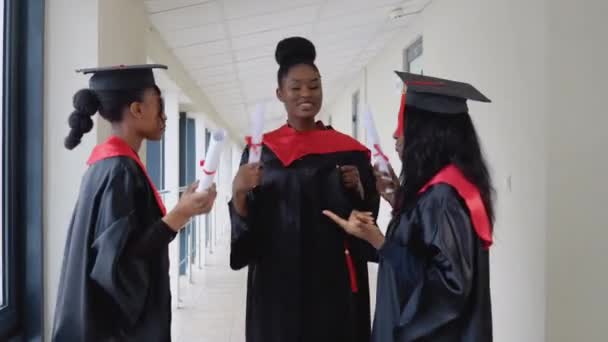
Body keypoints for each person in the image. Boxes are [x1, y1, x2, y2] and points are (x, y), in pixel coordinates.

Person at [324, 71, 495, 341]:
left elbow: (446, 290)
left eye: (404, 124)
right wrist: (399, 199)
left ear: (428, 133)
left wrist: (379, 241)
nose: (395, 135)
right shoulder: (446, 190)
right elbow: (425, 250)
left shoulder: (444, 199)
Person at [229, 37, 380, 342]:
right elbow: (248, 228)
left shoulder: (348, 151)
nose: (306, 94)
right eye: (296, 87)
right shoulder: (262, 152)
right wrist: (239, 192)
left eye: (314, 85)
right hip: (277, 281)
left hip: (334, 280)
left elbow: (367, 217)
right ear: (280, 93)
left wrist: (360, 189)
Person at [52, 64, 217, 341]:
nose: (164, 117)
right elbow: (120, 264)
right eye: (159, 106)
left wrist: (183, 210)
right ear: (137, 110)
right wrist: (179, 214)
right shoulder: (120, 170)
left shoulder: (105, 166)